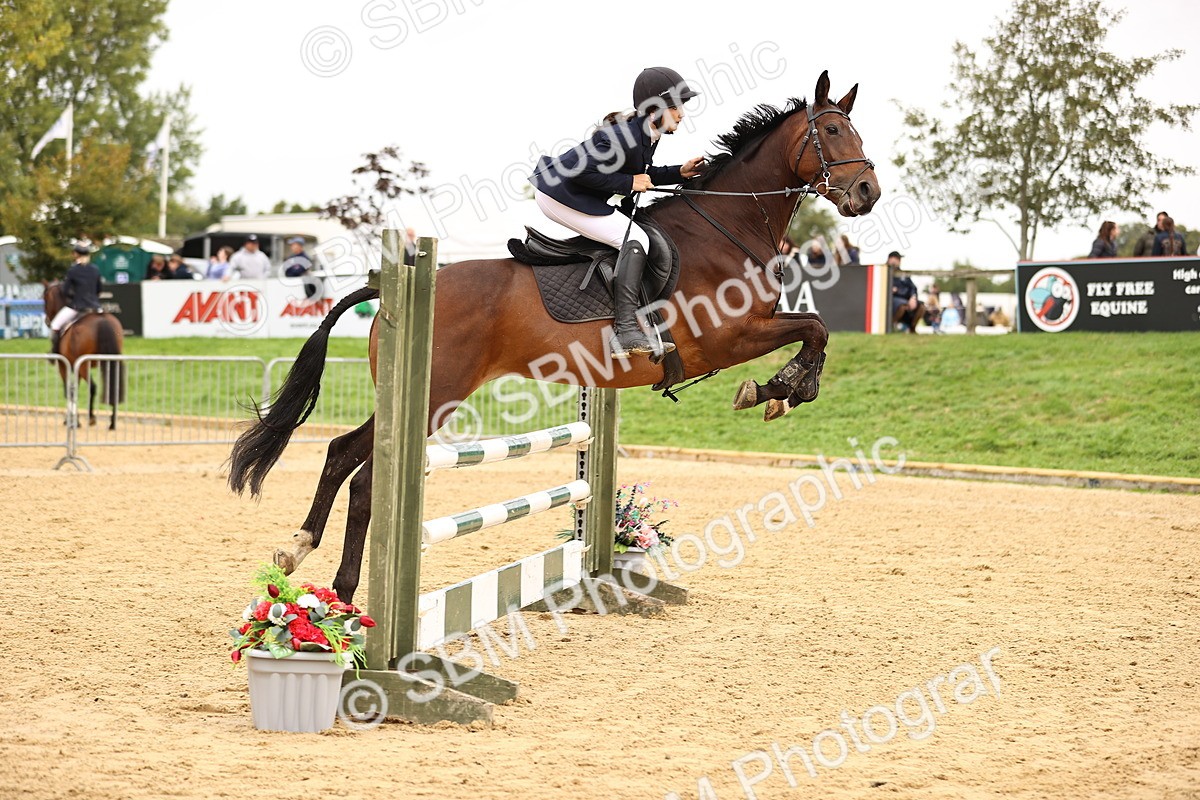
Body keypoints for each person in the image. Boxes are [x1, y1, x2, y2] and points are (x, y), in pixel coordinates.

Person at [528, 66, 707, 358]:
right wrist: (628, 183)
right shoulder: (623, 136)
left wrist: (680, 172)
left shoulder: (647, 134)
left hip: (575, 192)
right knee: (636, 238)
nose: (682, 114)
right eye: (675, 107)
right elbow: (579, 170)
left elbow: (644, 173)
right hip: (558, 194)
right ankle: (625, 331)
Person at [49, 243, 102, 354]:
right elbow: (99, 290)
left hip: (78, 307)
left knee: (55, 325)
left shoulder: (73, 270)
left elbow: (65, 291)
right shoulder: (95, 269)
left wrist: (72, 297)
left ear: (75, 254)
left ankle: (55, 353)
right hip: (96, 307)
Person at [888, 251, 924, 333]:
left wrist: (913, 297)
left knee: (921, 306)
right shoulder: (883, 272)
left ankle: (912, 329)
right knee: (902, 305)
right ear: (890, 259)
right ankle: (891, 327)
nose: (898, 261)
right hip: (894, 300)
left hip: (907, 299)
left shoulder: (903, 274)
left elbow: (913, 287)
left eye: (899, 259)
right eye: (897, 258)